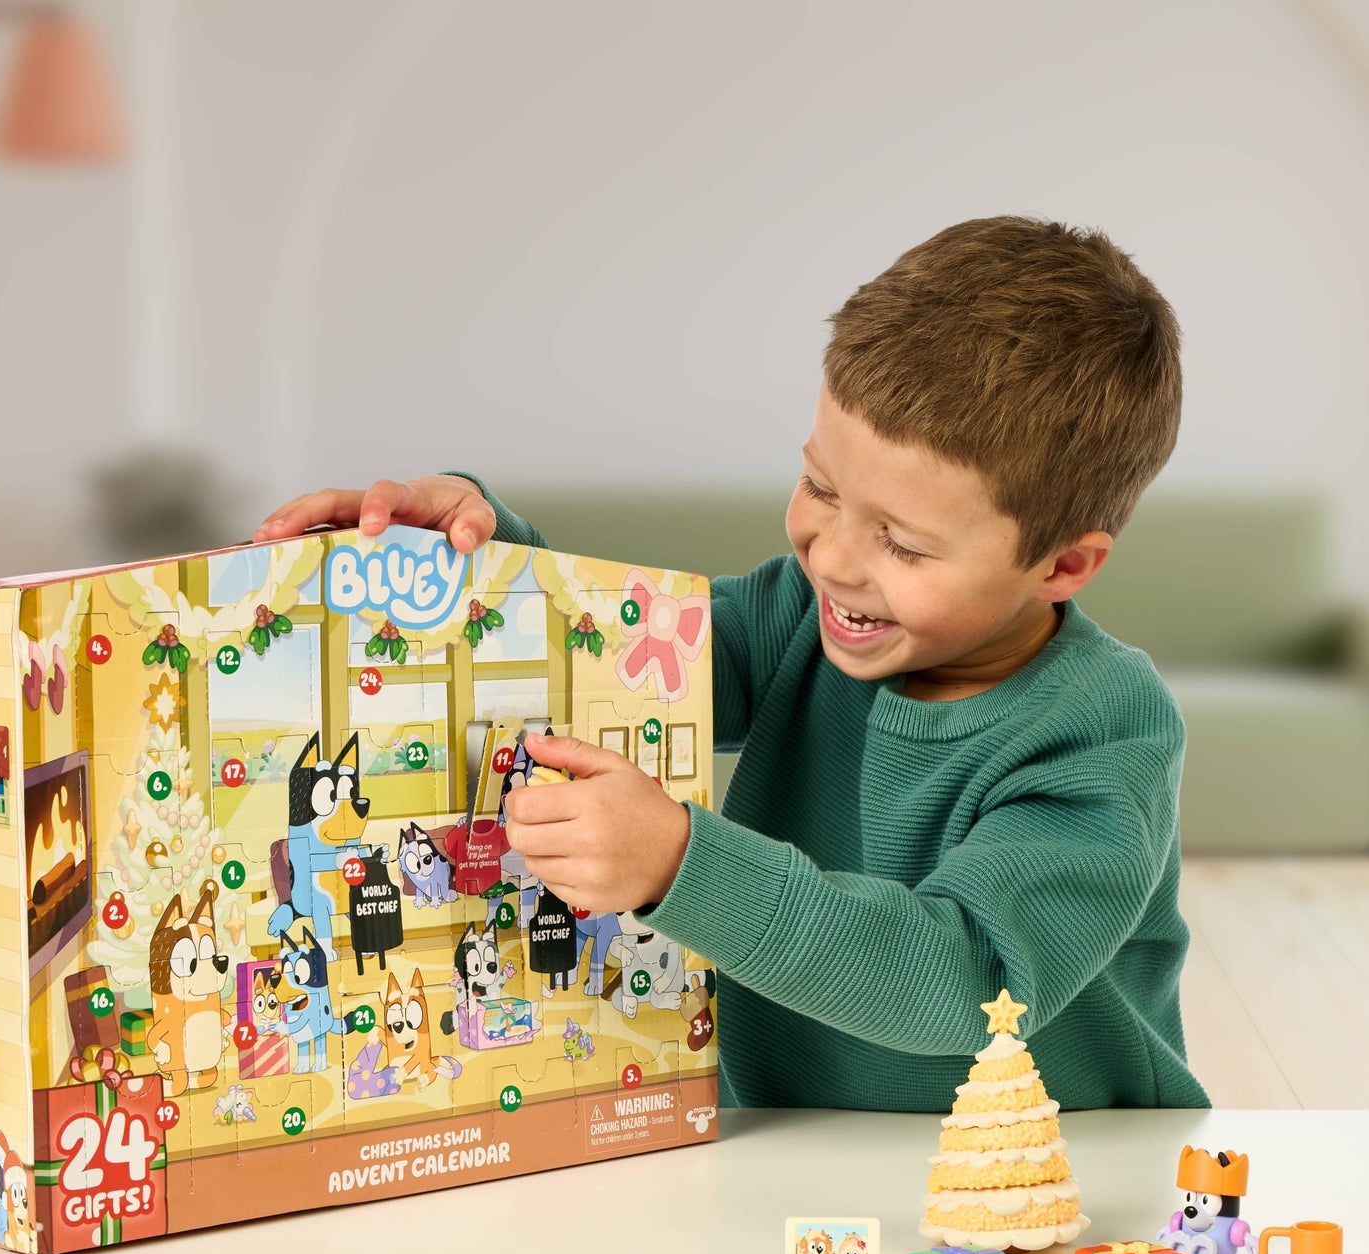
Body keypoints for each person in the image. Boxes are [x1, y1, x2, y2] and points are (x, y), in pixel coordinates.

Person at [256, 215, 1209, 1111]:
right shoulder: (800, 610)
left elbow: (971, 981)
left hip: (1063, 1168)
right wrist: (479, 555)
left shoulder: (1099, 729)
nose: (832, 557)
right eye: (819, 487)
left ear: (1062, 565)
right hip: (782, 1145)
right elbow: (610, 659)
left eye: (903, 544)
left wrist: (682, 861)